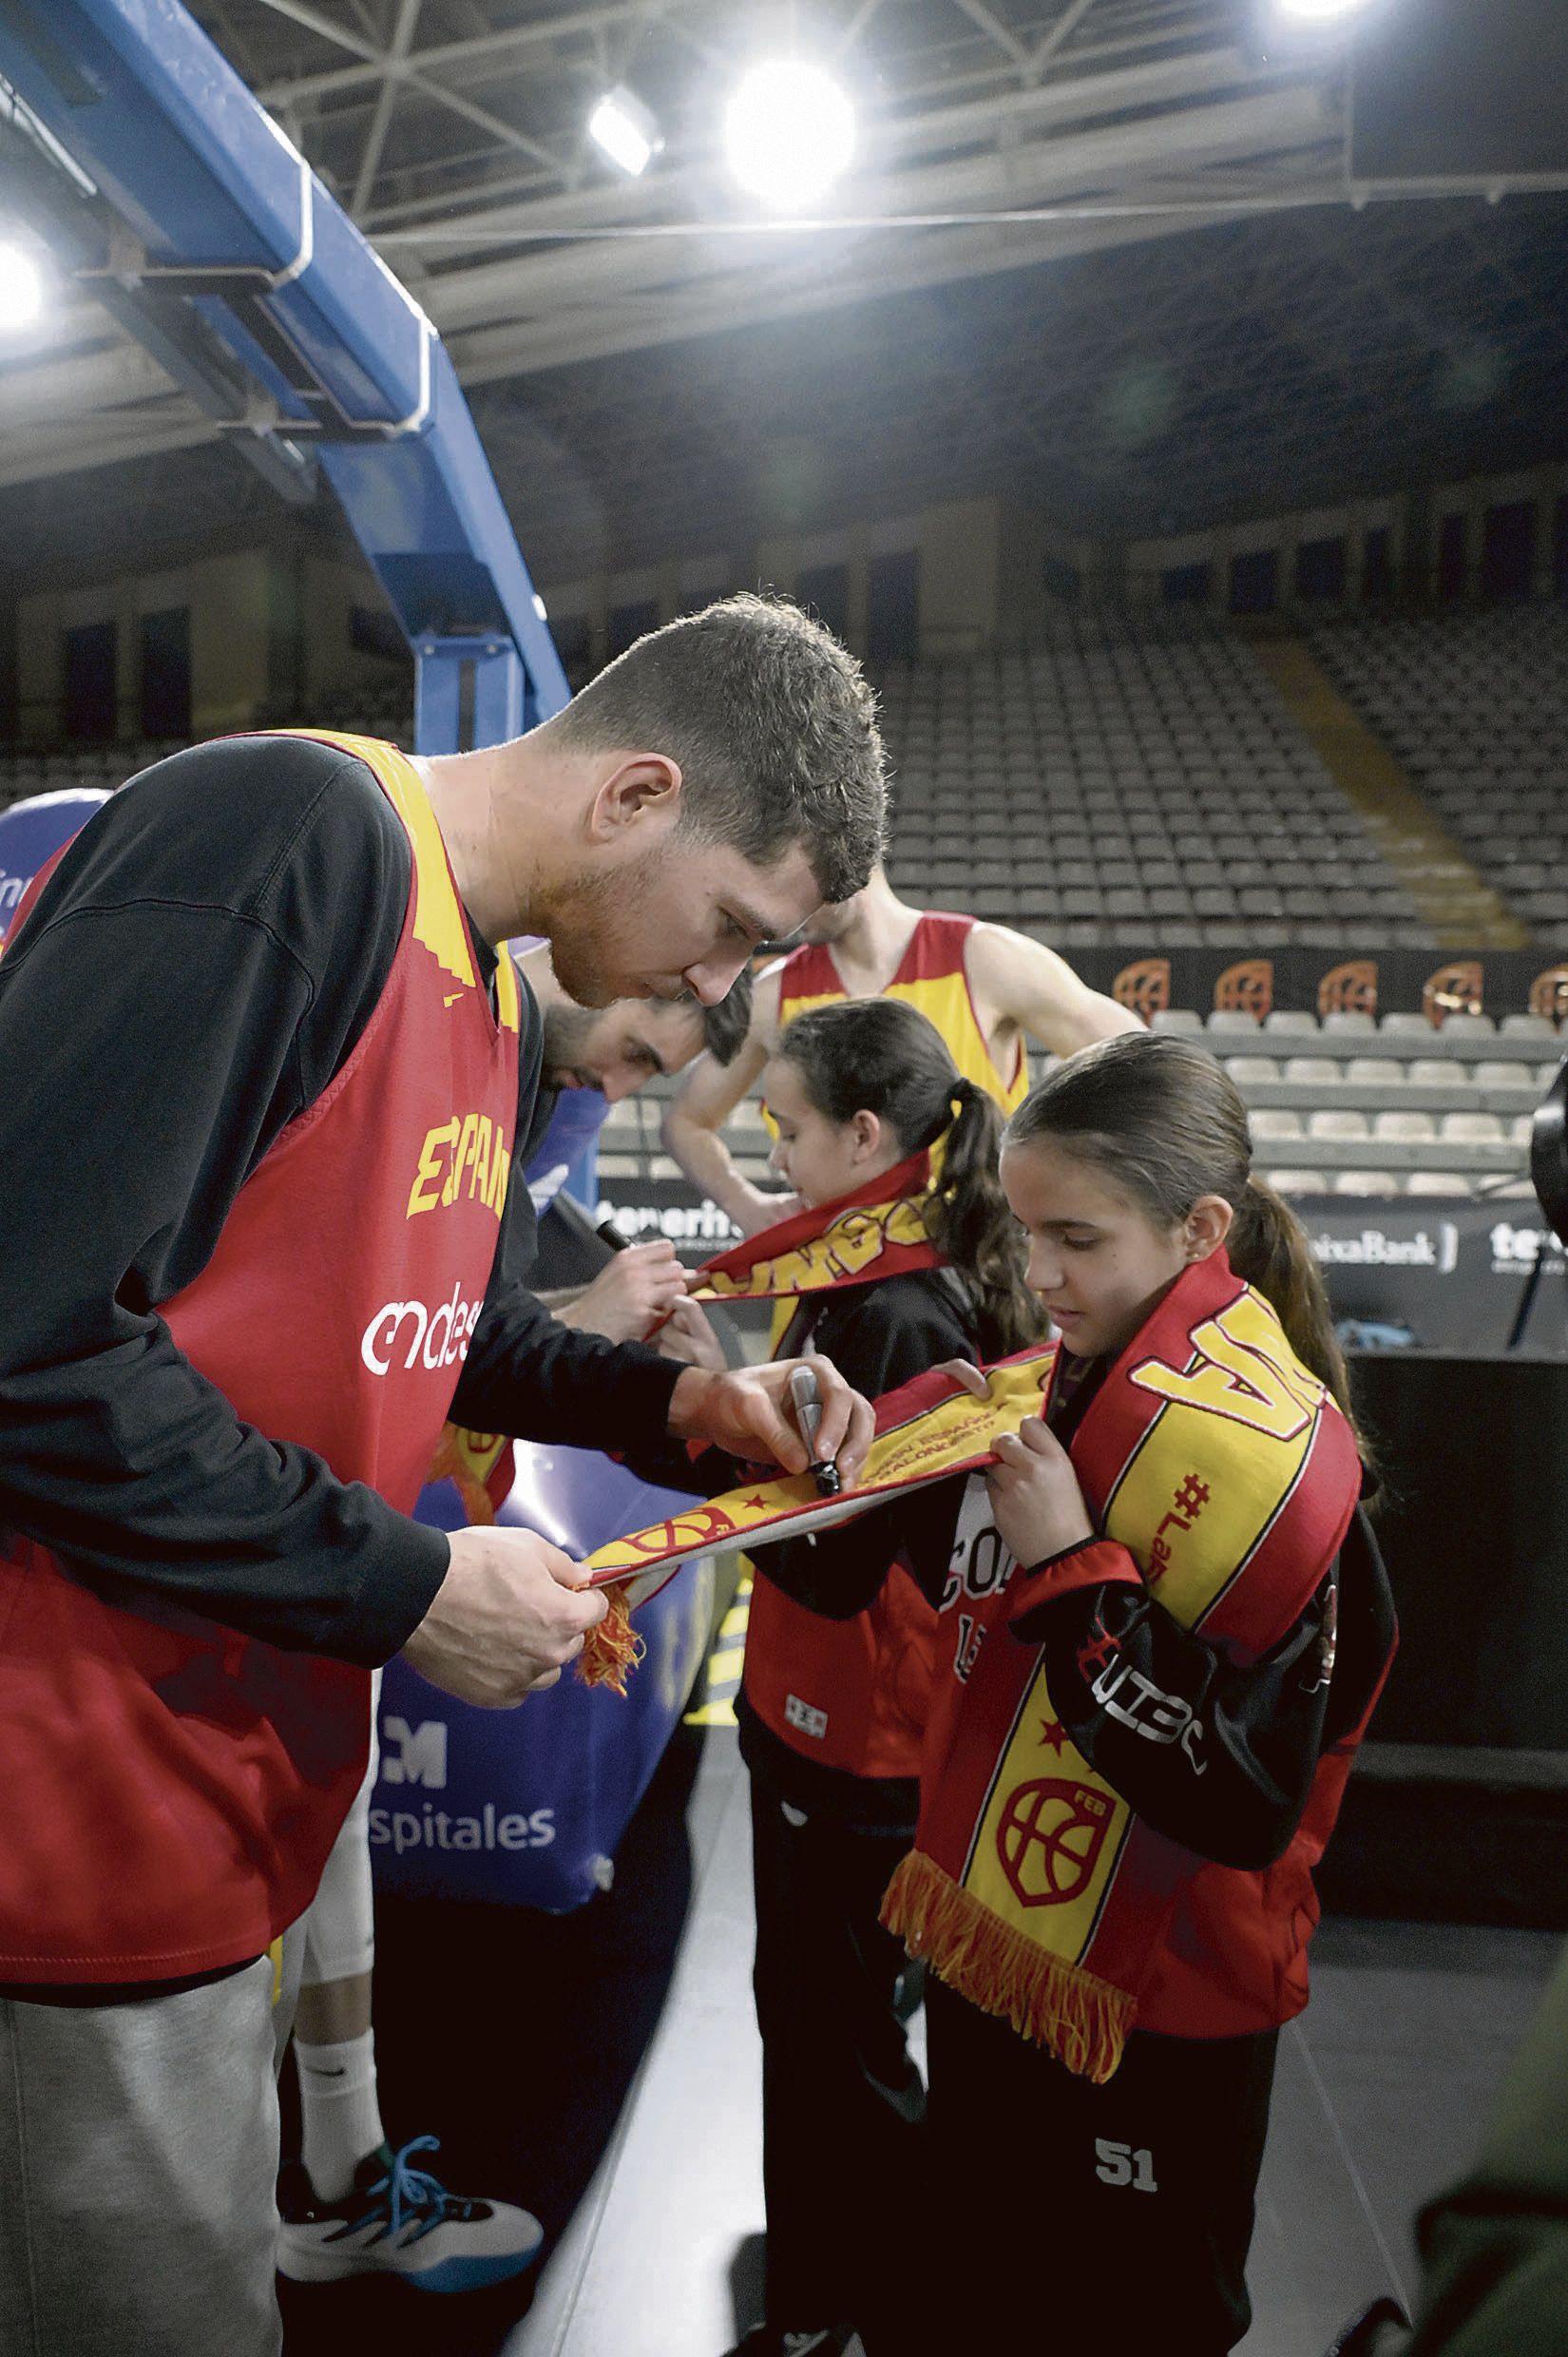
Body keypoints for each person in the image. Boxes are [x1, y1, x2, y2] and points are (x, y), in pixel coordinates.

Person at [0, 592, 883, 2357]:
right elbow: (31, 1338)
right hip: (69, 1795)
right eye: (729, 930)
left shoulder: (485, 992)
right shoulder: (288, 836)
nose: (720, 992)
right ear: (635, 796)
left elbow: (446, 1322)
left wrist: (676, 1417)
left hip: (221, 1757)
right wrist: (409, 1589)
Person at [874, 1030, 1398, 2357]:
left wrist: (1069, 1570)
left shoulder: (1281, 1476)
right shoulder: (1058, 1374)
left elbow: (1243, 1808)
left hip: (1170, 1988)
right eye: (1022, 1229)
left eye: (1076, 1238)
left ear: (1196, 1228)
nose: (1037, 1273)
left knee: (1137, 2315)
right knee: (991, 2275)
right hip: (998, 1939)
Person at [277, 958, 754, 2290]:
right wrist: (584, 1325)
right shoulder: (384, 999)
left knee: (324, 1844)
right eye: (648, 1056)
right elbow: (323, 1332)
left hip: (322, 1550)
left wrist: (675, 1401)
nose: (622, 1090)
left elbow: (446, 1333)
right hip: (254, 1562)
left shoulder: (501, 1065)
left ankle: (339, 2168)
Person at [706, 999, 1041, 2357]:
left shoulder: (892, 1304)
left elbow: (832, 1564)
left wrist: (708, 1424)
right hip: (868, 1732)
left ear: (862, 1132)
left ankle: (841, 2309)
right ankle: (853, 2285)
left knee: (828, 2042)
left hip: (851, 1740)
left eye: (782, 1127)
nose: (766, 1150)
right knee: (840, 2027)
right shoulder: (891, 1260)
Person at [661, 861, 1138, 1238]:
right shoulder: (774, 993)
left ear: (851, 855)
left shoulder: (985, 958)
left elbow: (1142, 1060)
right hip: (833, 1283)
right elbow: (686, 1121)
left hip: (975, 1279)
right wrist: (745, 1205)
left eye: (789, 879)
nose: (779, 910)